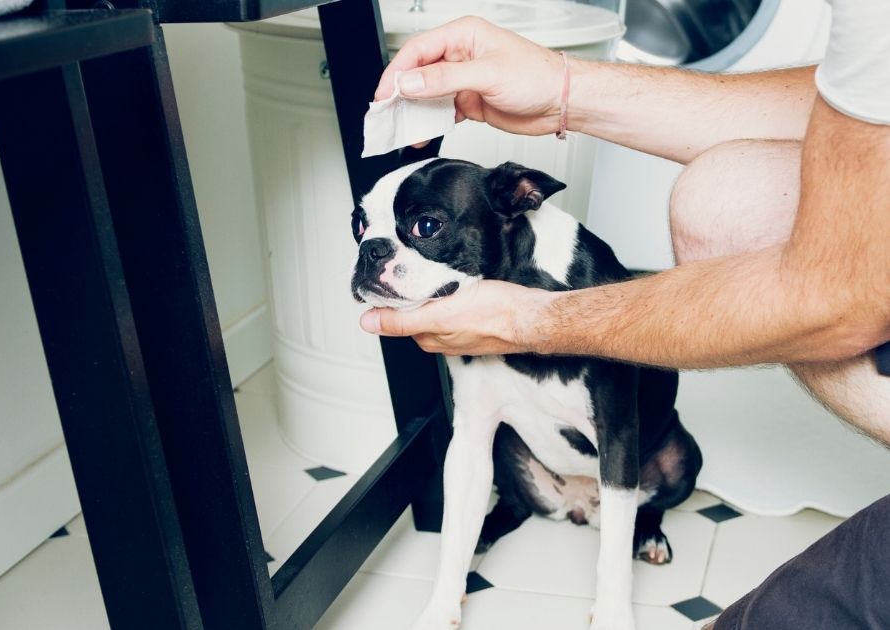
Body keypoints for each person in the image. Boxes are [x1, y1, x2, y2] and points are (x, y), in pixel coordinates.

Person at [358, 3, 890, 629]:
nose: (377, 248)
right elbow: (845, 101)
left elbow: (841, 304)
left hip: (621, 450)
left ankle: (629, 556)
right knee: (723, 196)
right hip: (546, 455)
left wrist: (537, 321)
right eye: (362, 227)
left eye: (424, 227)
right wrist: (564, 87)